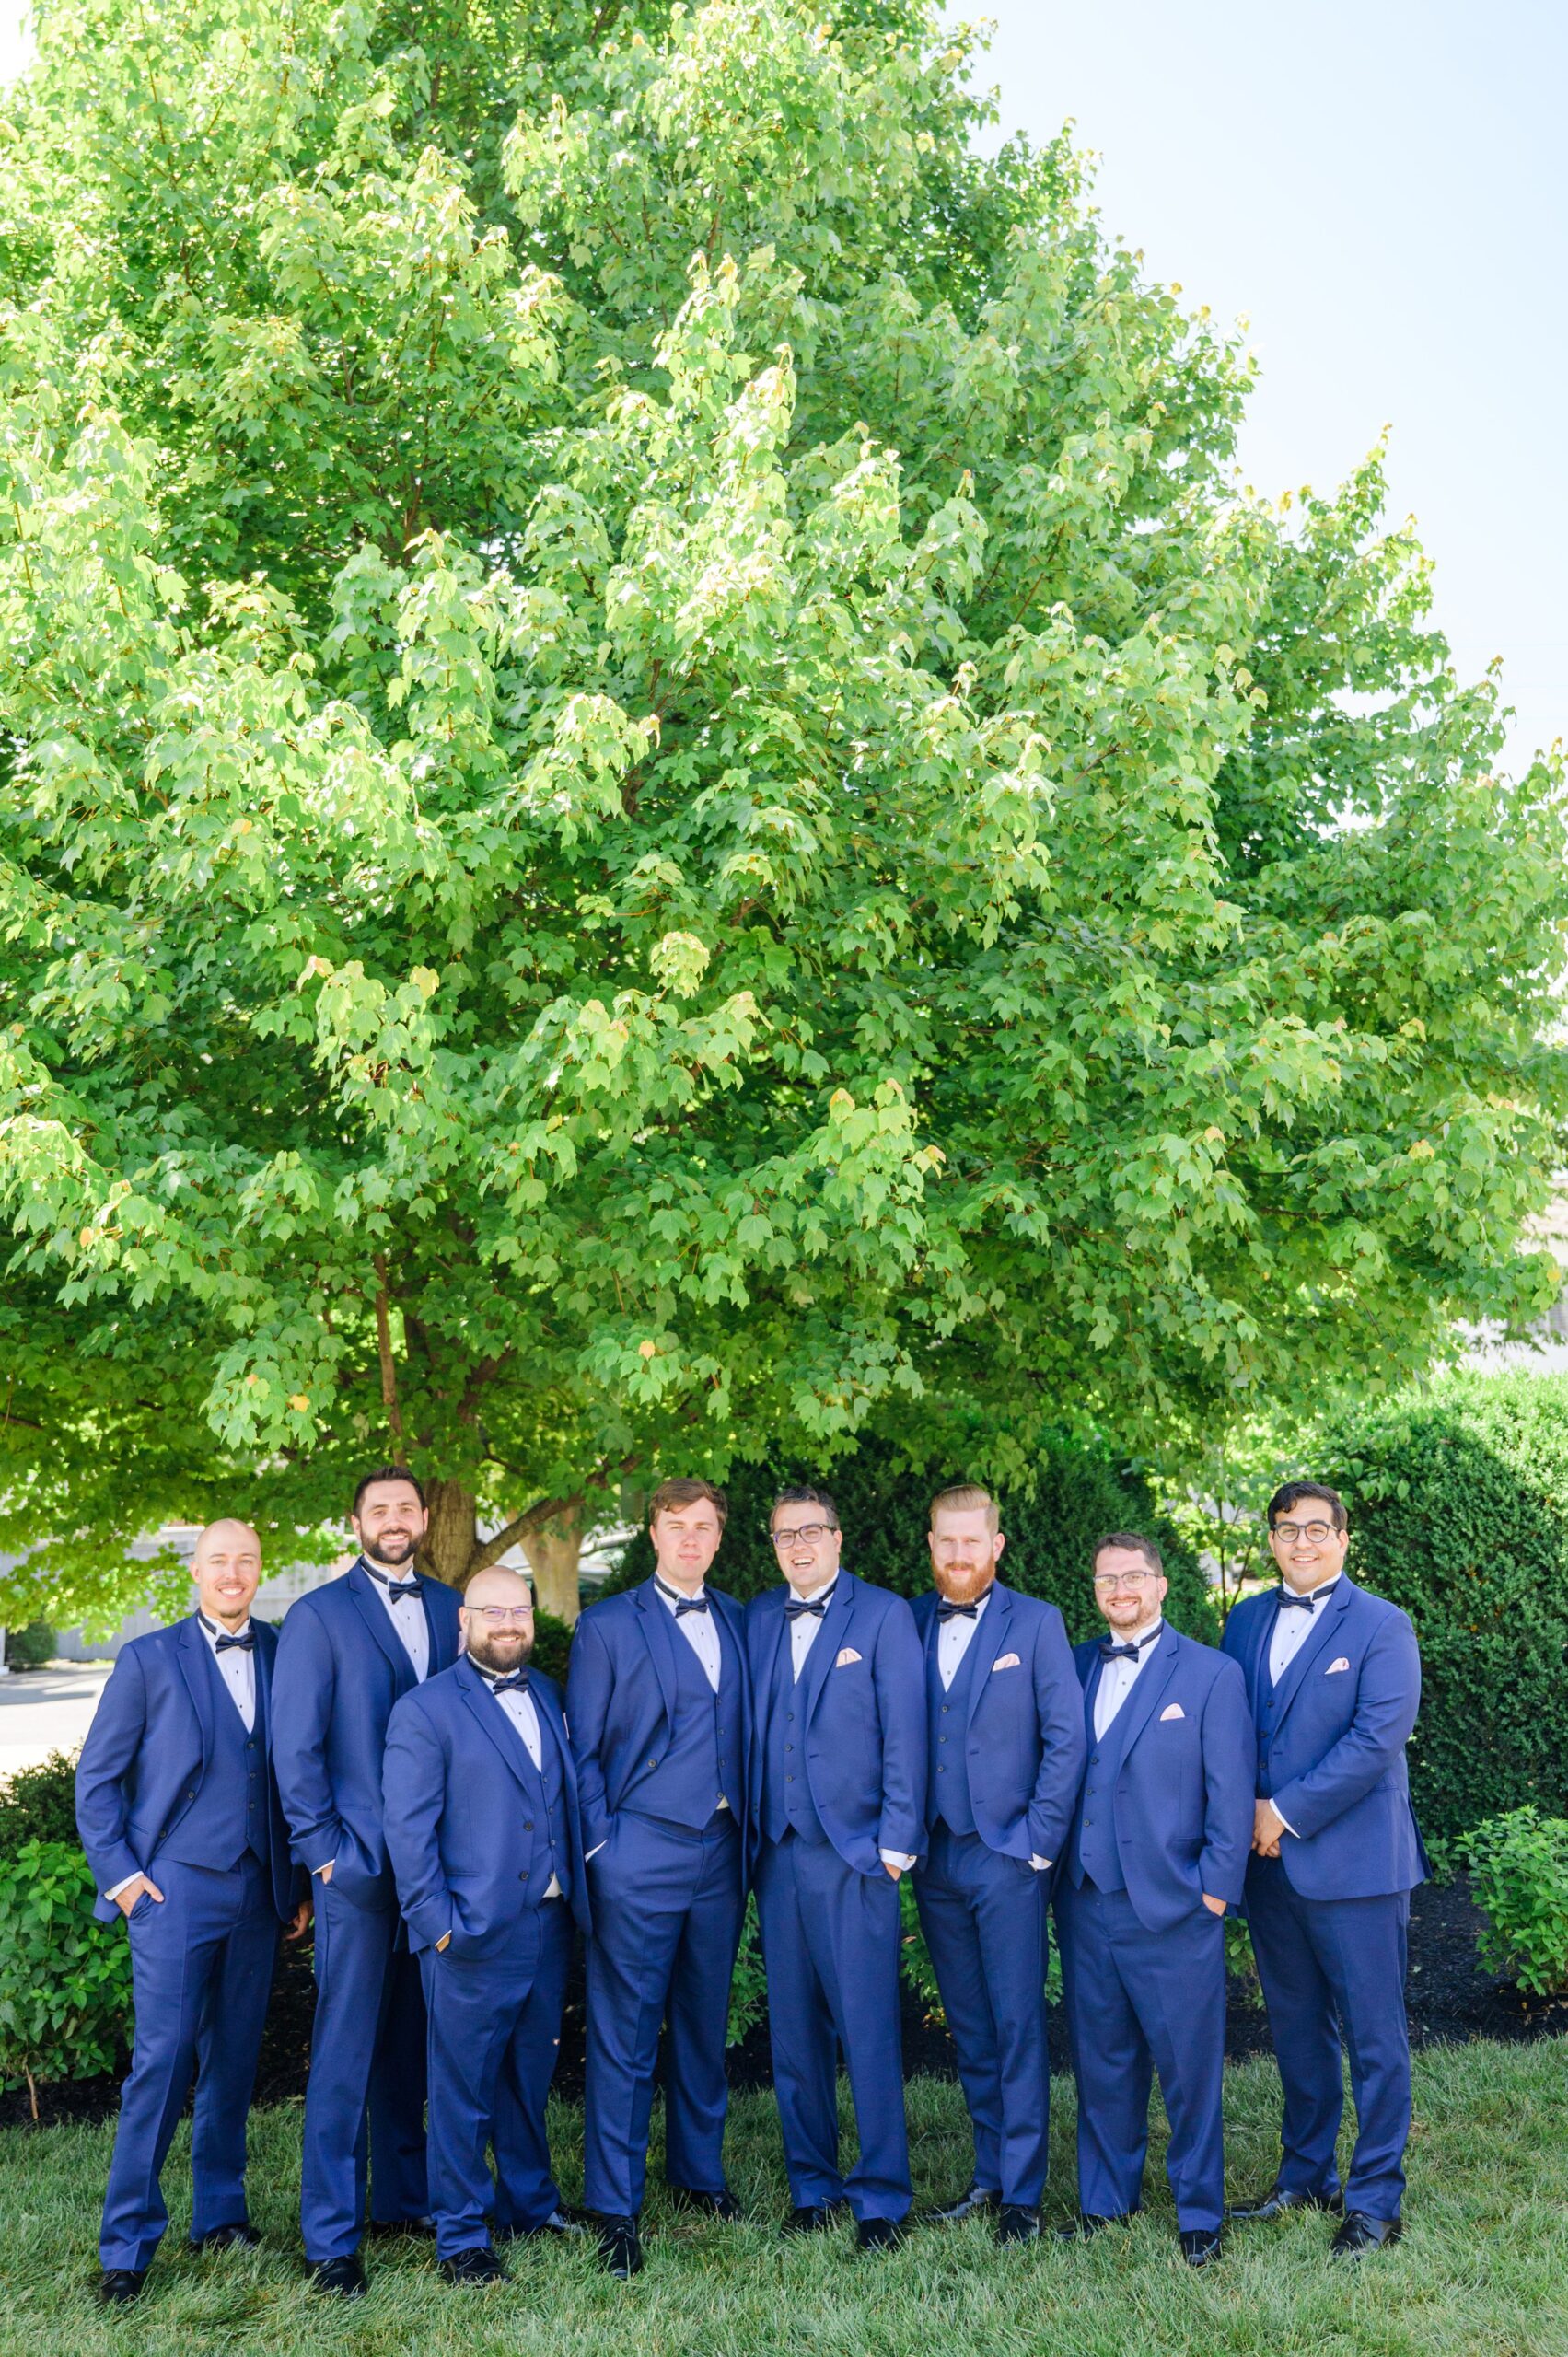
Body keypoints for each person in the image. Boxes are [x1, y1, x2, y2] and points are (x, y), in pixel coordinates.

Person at [75, 1519, 310, 2305]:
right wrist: (125, 1880)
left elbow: (295, 1773)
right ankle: (127, 2244)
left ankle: (220, 2212)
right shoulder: (149, 1659)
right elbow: (97, 1781)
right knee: (164, 2061)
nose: (233, 1573)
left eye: (246, 1560)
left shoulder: (282, 1650)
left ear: (259, 1569)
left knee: (235, 2058)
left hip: (258, 1891)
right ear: (195, 1571)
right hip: (172, 1891)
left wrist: (298, 1882)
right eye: (219, 1561)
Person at [1223, 1481, 1426, 2258]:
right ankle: (1305, 2176)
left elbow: (1376, 1740)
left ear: (1343, 1539)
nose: (1300, 1542)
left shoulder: (1381, 1624)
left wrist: (1284, 1811)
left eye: (1316, 1529)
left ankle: (1375, 2200)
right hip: (1266, 1868)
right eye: (1286, 1529)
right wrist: (1238, 1810)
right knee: (1297, 2029)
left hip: (1355, 1867)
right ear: (1270, 1540)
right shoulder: (1242, 1620)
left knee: (1374, 2038)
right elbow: (1230, 1725)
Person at [271, 1466, 462, 2296]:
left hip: (443, 1867)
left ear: (423, 1518)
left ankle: (405, 2198)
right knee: (345, 2051)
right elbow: (295, 1749)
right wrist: (324, 1855)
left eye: (405, 1508)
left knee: (416, 2041)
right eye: (377, 1509)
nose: (393, 1520)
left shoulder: (456, 1608)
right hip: (357, 1865)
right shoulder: (316, 1616)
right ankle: (331, 2237)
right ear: (354, 1522)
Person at [565, 1478, 751, 2279]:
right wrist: (604, 1849)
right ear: (653, 1533)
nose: (690, 1540)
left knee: (703, 2021)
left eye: (704, 1527)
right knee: (626, 2030)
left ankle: (697, 2174)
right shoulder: (608, 1625)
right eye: (676, 1526)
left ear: (718, 1538)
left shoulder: (742, 1620)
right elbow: (582, 1751)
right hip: (638, 1850)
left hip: (721, 1850)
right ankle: (613, 2201)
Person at [382, 1566, 589, 2285]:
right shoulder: (425, 1709)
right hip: (468, 1932)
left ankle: (529, 2204)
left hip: (549, 1922)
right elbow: (407, 1833)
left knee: (527, 2075)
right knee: (463, 2088)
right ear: (462, 1621)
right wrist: (437, 1925)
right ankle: (462, 2236)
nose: (508, 1624)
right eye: (492, 1612)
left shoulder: (552, 1694)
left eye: (519, 1612)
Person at [1054, 1534, 1253, 2268]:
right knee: (1101, 2058)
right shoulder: (1072, 1666)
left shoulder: (1209, 1674)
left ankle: (1200, 2210)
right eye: (1107, 1578)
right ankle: (1107, 2201)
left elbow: (1231, 1795)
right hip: (1085, 1900)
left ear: (1161, 1585)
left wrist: (1212, 1893)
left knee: (1187, 2066)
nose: (1120, 1588)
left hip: (1175, 1905)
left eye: (1133, 1575)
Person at [744, 1486, 926, 2253]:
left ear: (838, 1538)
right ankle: (811, 2184)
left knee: (866, 2026)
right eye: (785, 1534)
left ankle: (881, 2194)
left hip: (855, 1854)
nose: (799, 1545)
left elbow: (906, 1731)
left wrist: (895, 1843)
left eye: (812, 1531)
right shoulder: (757, 1617)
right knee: (792, 2031)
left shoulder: (881, 1614)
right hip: (776, 1853)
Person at [911, 1484, 1085, 2246]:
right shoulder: (906, 1622)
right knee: (971, 2024)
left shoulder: (1036, 1623)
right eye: (944, 1543)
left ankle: (1022, 2194)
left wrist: (1037, 1842)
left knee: (1016, 2025)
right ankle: (987, 2173)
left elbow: (1066, 1739)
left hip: (1008, 1855)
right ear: (930, 1545)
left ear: (995, 1545)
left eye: (970, 1543)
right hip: (933, 1854)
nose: (957, 1556)